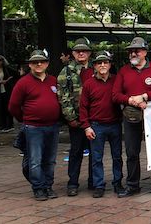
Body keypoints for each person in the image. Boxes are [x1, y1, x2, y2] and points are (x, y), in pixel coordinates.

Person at [112, 37, 151, 197]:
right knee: (132, 152)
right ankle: (132, 185)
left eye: (136, 50)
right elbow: (115, 95)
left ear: (144, 52)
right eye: (131, 51)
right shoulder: (123, 71)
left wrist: (144, 96)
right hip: (131, 115)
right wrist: (131, 100)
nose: (133, 53)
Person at [9, 50, 60, 201]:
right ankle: (38, 188)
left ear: (47, 63)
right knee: (35, 160)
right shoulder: (23, 82)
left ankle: (48, 186)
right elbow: (13, 106)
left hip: (53, 126)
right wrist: (25, 120)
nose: (39, 64)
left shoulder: (53, 80)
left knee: (50, 159)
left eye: (42, 61)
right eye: (35, 62)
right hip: (33, 128)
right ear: (30, 64)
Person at [79, 51, 123, 198]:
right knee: (96, 158)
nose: (103, 65)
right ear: (95, 66)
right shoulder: (88, 84)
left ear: (110, 65)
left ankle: (118, 183)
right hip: (96, 125)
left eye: (105, 62)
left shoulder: (117, 80)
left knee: (117, 156)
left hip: (115, 124)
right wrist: (86, 126)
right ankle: (99, 185)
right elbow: (83, 107)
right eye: (99, 63)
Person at [57, 38, 95, 196]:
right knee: (76, 152)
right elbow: (62, 96)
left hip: (95, 118)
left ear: (89, 53)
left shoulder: (97, 68)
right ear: (72, 54)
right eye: (78, 51)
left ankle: (95, 181)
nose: (81, 53)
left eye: (84, 51)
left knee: (95, 152)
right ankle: (73, 183)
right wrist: (71, 118)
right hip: (77, 119)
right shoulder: (66, 71)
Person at [0, 54, 19, 132]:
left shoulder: (7, 69)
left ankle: (9, 125)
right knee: (0, 108)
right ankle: (2, 126)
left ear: (3, 61)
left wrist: (8, 80)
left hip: (7, 91)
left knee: (8, 108)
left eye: (0, 60)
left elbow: (16, 75)